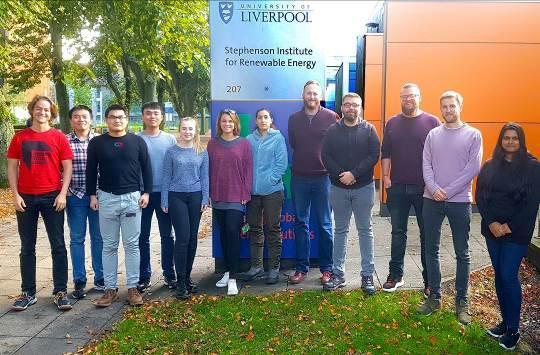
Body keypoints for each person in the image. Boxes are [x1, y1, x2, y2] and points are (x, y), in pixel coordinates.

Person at [418, 90, 483, 325]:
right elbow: (425, 163)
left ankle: (461, 302)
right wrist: (434, 188)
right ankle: (434, 297)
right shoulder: (433, 134)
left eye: (452, 106)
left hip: (459, 202)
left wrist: (449, 190)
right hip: (431, 199)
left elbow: (472, 168)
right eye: (444, 106)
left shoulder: (473, 135)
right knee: (430, 249)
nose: (448, 110)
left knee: (462, 253)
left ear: (460, 105)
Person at [476, 123, 539, 350]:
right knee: (500, 276)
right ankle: (504, 323)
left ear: (521, 141)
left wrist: (508, 226)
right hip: (492, 230)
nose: (510, 141)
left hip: (517, 232)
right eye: (506, 138)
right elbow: (481, 196)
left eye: (514, 138)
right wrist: (492, 222)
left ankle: (514, 329)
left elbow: (531, 204)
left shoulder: (533, 167)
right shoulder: (491, 165)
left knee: (508, 275)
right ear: (501, 140)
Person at [7, 95, 73, 311]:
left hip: (52, 196)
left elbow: (67, 167)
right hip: (25, 197)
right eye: (38, 108)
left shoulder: (59, 137)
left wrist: (62, 194)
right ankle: (28, 292)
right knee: (27, 246)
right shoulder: (20, 138)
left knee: (58, 245)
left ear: (51, 113)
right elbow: (12, 168)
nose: (42, 112)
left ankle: (60, 291)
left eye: (46, 109)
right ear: (32, 110)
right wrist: (15, 195)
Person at [86, 103, 152, 307]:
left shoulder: (137, 141)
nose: (117, 120)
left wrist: (146, 192)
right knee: (109, 245)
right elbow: (90, 170)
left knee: (132, 245)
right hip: (106, 198)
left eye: (121, 117)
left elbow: (146, 168)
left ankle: (133, 287)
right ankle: (110, 289)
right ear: (106, 120)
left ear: (127, 119)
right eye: (113, 117)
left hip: (132, 198)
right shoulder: (97, 143)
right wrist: (92, 195)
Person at [380, 83, 440, 296]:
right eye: (404, 96)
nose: (408, 99)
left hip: (425, 189)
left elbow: (439, 155)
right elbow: (385, 152)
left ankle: (430, 281)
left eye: (412, 95)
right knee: (398, 233)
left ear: (419, 97)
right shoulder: (393, 123)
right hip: (397, 187)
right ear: (400, 98)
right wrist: (386, 177)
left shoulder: (432, 122)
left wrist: (435, 184)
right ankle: (395, 275)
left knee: (427, 235)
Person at [321, 93, 380, 294]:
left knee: (365, 231)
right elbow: (325, 156)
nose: (351, 108)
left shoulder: (370, 130)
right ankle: (338, 274)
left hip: (363, 187)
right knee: (340, 231)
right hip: (338, 188)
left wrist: (354, 174)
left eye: (355, 105)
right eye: (347, 105)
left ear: (360, 108)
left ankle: (367, 275)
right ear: (342, 108)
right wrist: (341, 175)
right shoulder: (332, 131)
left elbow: (374, 155)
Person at [288, 80, 339, 285]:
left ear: (321, 96)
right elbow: (293, 143)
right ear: (303, 96)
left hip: (323, 178)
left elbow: (337, 144)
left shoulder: (331, 117)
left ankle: (327, 269)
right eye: (308, 93)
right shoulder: (294, 119)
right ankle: (301, 268)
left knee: (325, 224)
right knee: (301, 222)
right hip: (299, 177)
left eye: (315, 94)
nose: (312, 97)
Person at [161, 117, 209, 300]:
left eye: (190, 129)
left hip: (195, 196)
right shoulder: (171, 152)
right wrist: (164, 199)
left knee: (192, 239)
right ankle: (180, 280)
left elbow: (205, 177)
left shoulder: (201, 151)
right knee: (182, 238)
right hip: (176, 196)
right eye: (184, 128)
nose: (187, 132)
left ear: (195, 131)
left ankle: (188, 277)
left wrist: (205, 197)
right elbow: (166, 177)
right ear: (179, 130)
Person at [207, 109, 253, 296]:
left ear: (235, 123)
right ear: (220, 124)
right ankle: (226, 271)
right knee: (224, 235)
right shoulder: (212, 144)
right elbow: (207, 170)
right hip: (218, 195)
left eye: (230, 121)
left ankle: (233, 277)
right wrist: (208, 193)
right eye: (224, 121)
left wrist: (246, 192)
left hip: (236, 195)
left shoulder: (243, 144)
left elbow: (248, 169)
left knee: (233, 233)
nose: (227, 124)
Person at [242, 109, 288, 284]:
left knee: (273, 229)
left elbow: (281, 163)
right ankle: (256, 267)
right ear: (256, 120)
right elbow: (245, 165)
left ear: (271, 120)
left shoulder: (277, 138)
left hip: (272, 192)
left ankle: (273, 269)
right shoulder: (249, 140)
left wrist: (270, 180)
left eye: (266, 117)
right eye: (260, 117)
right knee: (255, 229)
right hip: (252, 194)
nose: (263, 120)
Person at [137, 102, 177, 292]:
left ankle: (169, 273)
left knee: (167, 235)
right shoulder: (136, 139)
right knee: (142, 236)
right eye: (148, 113)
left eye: (156, 113)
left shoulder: (170, 139)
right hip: (142, 195)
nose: (152, 116)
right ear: (143, 116)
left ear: (162, 117)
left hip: (164, 194)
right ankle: (143, 276)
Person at [66, 105, 104, 299]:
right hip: (75, 196)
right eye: (76, 117)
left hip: (98, 197)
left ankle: (100, 278)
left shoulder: (99, 141)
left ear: (91, 119)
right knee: (76, 239)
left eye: (84, 117)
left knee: (99, 238)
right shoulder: (64, 141)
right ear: (71, 120)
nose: (81, 120)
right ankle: (79, 280)